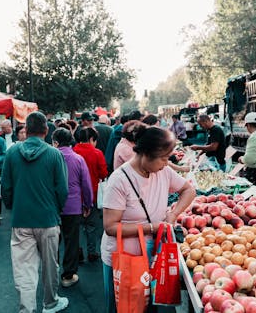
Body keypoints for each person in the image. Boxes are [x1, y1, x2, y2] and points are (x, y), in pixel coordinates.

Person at [101, 126, 196, 313]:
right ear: (145, 154)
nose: (166, 163)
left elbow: (188, 190)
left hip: (153, 256)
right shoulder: (119, 180)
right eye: (163, 158)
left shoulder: (163, 172)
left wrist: (173, 214)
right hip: (125, 259)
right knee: (124, 308)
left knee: (149, 307)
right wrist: (151, 227)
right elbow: (110, 227)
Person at [1, 112, 69, 313]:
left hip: (21, 219)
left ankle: (26, 308)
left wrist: (14, 206)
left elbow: (6, 187)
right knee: (50, 266)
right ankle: (50, 303)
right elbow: (62, 190)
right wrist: (57, 209)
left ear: (26, 130)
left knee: (24, 269)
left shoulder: (12, 153)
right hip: (48, 219)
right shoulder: (55, 154)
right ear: (47, 131)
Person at [52, 127, 94, 287]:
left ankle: (52, 273)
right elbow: (86, 184)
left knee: (53, 241)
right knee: (71, 241)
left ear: (55, 142)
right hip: (73, 206)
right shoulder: (78, 159)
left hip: (53, 206)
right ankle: (68, 275)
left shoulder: (51, 158)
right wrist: (88, 203)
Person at [73, 127, 108, 263]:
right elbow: (103, 173)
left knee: (76, 227)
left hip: (75, 196)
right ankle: (92, 252)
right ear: (92, 139)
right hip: (92, 194)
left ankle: (78, 252)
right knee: (91, 226)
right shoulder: (97, 153)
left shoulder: (73, 151)